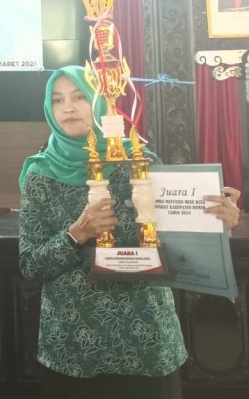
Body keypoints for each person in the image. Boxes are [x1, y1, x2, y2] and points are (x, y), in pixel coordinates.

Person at [19, 66, 242, 399]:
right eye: (57, 99)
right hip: (73, 344)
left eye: (79, 96)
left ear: (99, 102)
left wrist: (218, 220)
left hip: (146, 337)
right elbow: (30, 266)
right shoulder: (40, 174)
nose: (68, 107)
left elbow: (176, 235)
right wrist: (75, 234)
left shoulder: (140, 159)